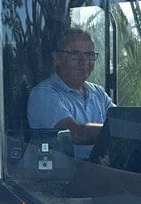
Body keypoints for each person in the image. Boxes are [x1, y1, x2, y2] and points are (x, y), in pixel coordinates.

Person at [27, 29, 113, 160]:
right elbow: (75, 134)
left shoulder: (98, 93)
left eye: (89, 54)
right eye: (76, 54)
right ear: (57, 58)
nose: (84, 61)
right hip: (62, 177)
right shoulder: (43, 94)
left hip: (99, 174)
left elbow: (119, 120)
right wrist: (117, 130)